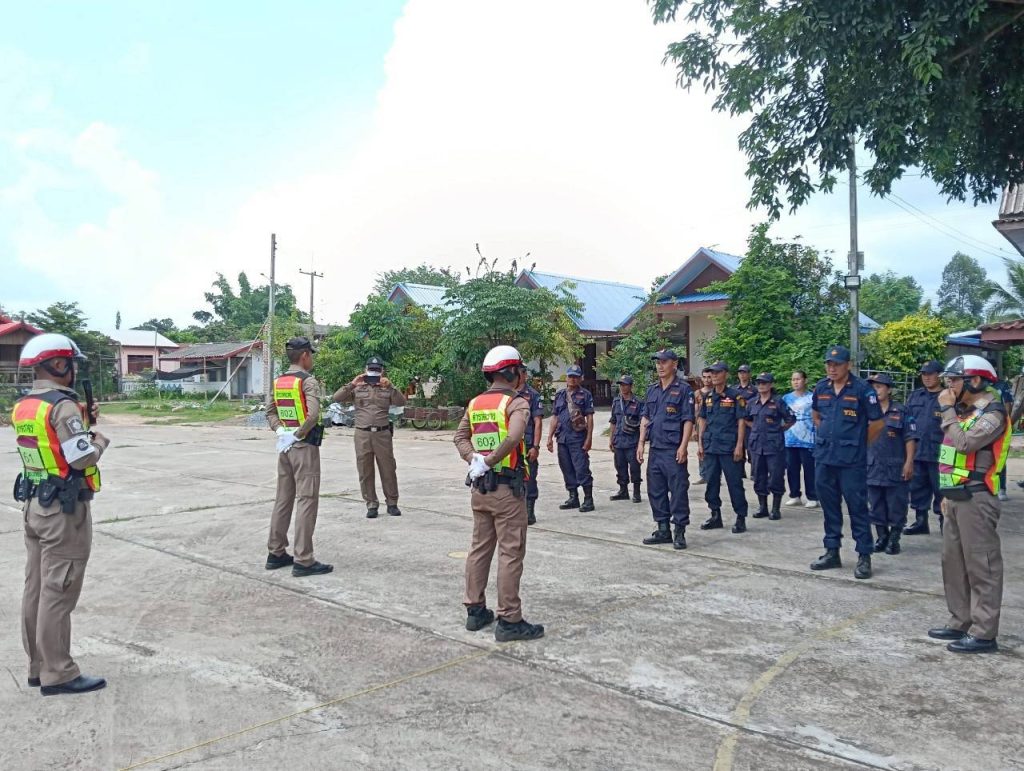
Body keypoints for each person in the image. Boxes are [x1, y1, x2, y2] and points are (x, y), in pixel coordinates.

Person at [12, 333, 109, 695]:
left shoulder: (26, 406)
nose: (73, 370)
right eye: (70, 363)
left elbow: (51, 441)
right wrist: (99, 440)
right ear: (58, 364)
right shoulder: (63, 406)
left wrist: (79, 419)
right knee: (59, 591)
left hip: (35, 505)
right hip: (63, 513)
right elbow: (81, 458)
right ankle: (59, 673)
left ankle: (38, 666)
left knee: (36, 589)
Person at [454, 345, 544, 642]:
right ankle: (509, 619)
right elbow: (515, 436)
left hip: (480, 488)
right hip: (507, 490)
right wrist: (489, 460)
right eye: (521, 370)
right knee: (510, 553)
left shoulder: (476, 403)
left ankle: (475, 610)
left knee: (479, 549)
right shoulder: (516, 403)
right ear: (512, 372)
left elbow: (460, 437)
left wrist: (475, 460)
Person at [927, 355, 1010, 654]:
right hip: (956, 495)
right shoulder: (965, 412)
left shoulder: (993, 413)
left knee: (982, 565)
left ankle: (984, 632)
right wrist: (946, 492)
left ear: (975, 381)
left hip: (977, 497)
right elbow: (951, 456)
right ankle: (960, 620)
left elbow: (965, 444)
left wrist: (947, 409)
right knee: (953, 562)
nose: (948, 386)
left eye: (954, 380)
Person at [809, 345, 884, 579]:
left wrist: (859, 444)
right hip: (825, 458)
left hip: (851, 461)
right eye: (829, 364)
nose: (832, 369)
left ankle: (864, 555)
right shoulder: (821, 387)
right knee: (829, 507)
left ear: (848, 365)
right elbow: (816, 415)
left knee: (857, 508)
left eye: (837, 365)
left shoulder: (862, 389)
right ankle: (832, 551)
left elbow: (877, 423)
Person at [265, 337, 332, 577]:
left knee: (283, 499)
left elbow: (270, 412)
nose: (311, 358)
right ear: (304, 355)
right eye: (311, 354)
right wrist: (297, 435)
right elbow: (312, 415)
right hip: (304, 447)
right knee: (306, 500)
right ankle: (304, 559)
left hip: (284, 447)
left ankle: (276, 552)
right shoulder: (308, 381)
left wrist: (281, 432)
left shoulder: (278, 381)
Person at [333, 355, 407, 518]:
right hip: (362, 434)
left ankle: (392, 503)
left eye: (377, 370)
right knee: (365, 470)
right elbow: (337, 397)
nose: (374, 373)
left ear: (382, 371)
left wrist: (391, 386)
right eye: (371, 370)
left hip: (382, 434)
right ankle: (371, 504)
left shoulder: (387, 387)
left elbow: (401, 402)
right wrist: (353, 383)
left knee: (388, 469)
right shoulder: (357, 388)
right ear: (365, 370)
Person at [638, 350, 694, 549]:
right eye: (657, 362)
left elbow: (688, 420)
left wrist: (683, 446)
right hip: (655, 449)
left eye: (664, 362)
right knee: (656, 490)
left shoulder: (684, 389)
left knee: (678, 491)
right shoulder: (652, 390)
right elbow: (646, 417)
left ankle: (679, 531)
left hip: (673, 450)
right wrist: (641, 443)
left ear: (674, 364)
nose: (660, 366)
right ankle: (663, 529)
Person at [866, 374, 917, 556]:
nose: (876, 391)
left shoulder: (901, 411)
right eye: (873, 387)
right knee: (875, 504)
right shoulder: (866, 411)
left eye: (879, 387)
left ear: (889, 389)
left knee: (897, 504)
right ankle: (882, 537)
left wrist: (909, 462)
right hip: (872, 466)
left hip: (895, 465)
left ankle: (894, 539)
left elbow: (910, 438)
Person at [697, 361, 749, 533]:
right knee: (711, 483)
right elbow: (702, 419)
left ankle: (740, 517)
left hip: (729, 448)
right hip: (711, 446)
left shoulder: (735, 396)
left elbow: (741, 421)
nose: (714, 376)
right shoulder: (708, 397)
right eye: (712, 373)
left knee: (734, 483)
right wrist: (700, 443)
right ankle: (715, 515)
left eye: (717, 372)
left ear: (726, 374)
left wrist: (739, 446)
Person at [745, 373, 795, 520]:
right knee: (758, 477)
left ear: (771, 384)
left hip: (774, 446)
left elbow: (791, 419)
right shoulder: (752, 402)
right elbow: (745, 419)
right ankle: (763, 508)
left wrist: (779, 429)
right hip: (757, 445)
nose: (761, 386)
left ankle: (775, 508)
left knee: (776, 477)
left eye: (764, 383)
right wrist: (756, 428)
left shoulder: (778, 402)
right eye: (759, 383)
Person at [904, 360, 945, 535]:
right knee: (918, 488)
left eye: (931, 374)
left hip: (939, 452)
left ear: (939, 376)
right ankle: (921, 522)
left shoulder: (948, 397)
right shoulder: (915, 396)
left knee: (942, 489)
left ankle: (945, 522)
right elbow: (906, 421)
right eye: (924, 374)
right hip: (918, 451)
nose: (926, 377)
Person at [546, 365, 595, 512]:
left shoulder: (585, 395)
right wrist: (549, 437)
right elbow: (555, 417)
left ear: (580, 378)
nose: (572, 379)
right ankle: (573, 497)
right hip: (562, 437)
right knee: (566, 467)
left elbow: (589, 417)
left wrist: (589, 438)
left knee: (581, 468)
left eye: (575, 377)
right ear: (566, 377)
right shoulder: (560, 395)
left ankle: (588, 499)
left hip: (578, 438)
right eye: (570, 376)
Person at [782, 371, 818, 509]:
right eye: (793, 379)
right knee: (792, 469)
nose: (795, 382)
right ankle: (794, 495)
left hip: (808, 439)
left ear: (805, 380)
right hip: (790, 438)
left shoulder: (812, 397)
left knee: (809, 470)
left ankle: (812, 497)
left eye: (798, 379)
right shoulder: (786, 398)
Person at [609, 375, 643, 503]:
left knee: (634, 467)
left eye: (625, 385)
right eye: (621, 385)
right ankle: (623, 491)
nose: (623, 387)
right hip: (619, 440)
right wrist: (611, 438)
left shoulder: (638, 402)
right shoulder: (616, 402)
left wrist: (641, 442)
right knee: (620, 466)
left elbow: (643, 422)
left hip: (632, 441)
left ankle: (636, 492)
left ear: (631, 386)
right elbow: (613, 421)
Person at [519, 376, 544, 525]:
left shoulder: (532, 395)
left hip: (527, 445)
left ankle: (530, 511)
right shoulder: (506, 393)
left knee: (530, 478)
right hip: (509, 444)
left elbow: (538, 422)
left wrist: (535, 446)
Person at [693, 367, 713, 485]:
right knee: (701, 450)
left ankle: (714, 475)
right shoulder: (697, 393)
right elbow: (695, 412)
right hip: (701, 424)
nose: (707, 380)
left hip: (714, 425)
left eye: (709, 377)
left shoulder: (716, 392)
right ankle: (703, 475)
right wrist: (694, 429)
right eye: (704, 377)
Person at [994, 376, 1013, 502]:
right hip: (983, 426)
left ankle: (1002, 488)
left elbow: (1008, 404)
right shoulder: (977, 384)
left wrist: (1004, 422)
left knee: (999, 457)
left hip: (999, 426)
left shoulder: (1001, 385)